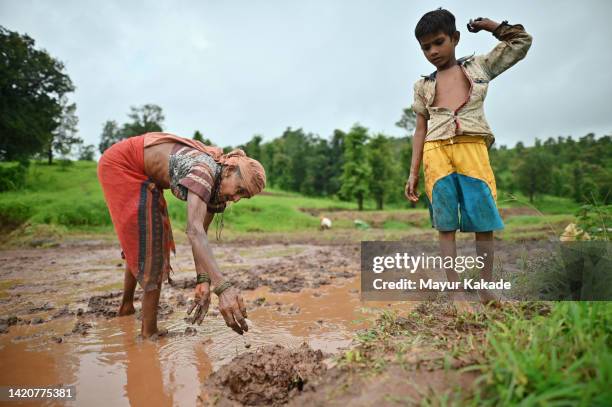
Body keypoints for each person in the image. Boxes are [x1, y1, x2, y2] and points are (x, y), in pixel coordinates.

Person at [404, 9, 532, 309]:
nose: (433, 51)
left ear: (456, 38)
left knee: (482, 220)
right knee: (445, 225)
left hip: (472, 149)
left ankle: (486, 290)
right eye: (426, 47)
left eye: (439, 42)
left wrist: (492, 26)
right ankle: (456, 293)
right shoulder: (422, 86)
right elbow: (419, 129)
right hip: (436, 154)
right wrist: (412, 173)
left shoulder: (479, 67)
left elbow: (521, 42)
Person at [97, 132, 266, 337]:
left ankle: (126, 308)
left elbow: (200, 234)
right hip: (122, 165)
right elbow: (193, 230)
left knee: (145, 240)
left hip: (143, 172)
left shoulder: (219, 190)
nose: (236, 199)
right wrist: (223, 288)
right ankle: (148, 333)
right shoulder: (205, 171)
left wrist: (203, 280)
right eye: (239, 190)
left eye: (243, 197)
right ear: (229, 170)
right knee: (152, 246)